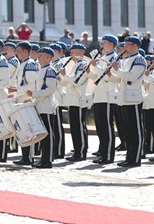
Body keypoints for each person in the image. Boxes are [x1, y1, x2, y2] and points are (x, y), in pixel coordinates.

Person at [110, 36, 147, 167]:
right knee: (128, 130)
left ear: (136, 46)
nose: (125, 47)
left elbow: (131, 77)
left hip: (134, 97)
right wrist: (111, 75)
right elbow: (121, 79)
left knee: (135, 130)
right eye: (125, 45)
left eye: (128, 45)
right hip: (124, 97)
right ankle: (129, 157)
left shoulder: (139, 59)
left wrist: (117, 70)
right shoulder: (126, 60)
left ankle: (135, 158)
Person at [88, 35, 121, 164]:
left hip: (108, 96)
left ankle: (108, 155)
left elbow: (108, 77)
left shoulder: (114, 58)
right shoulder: (102, 58)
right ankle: (103, 153)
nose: (102, 45)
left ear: (111, 44)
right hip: (99, 95)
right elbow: (95, 75)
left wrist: (96, 66)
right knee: (100, 127)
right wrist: (88, 71)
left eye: (104, 43)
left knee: (107, 127)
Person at [27, 47, 58, 168]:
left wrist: (34, 94)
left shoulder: (49, 70)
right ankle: (44, 158)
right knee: (43, 133)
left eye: (41, 55)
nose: (38, 57)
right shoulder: (41, 70)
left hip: (46, 105)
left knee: (47, 133)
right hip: (40, 104)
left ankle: (48, 160)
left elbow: (50, 89)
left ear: (48, 57)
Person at [58, 43, 90, 161]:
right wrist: (60, 79)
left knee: (79, 127)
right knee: (75, 127)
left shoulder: (83, 65)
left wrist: (64, 75)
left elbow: (77, 81)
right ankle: (77, 151)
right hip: (73, 100)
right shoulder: (76, 65)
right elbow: (68, 82)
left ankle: (81, 152)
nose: (70, 54)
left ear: (80, 53)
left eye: (73, 52)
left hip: (78, 99)